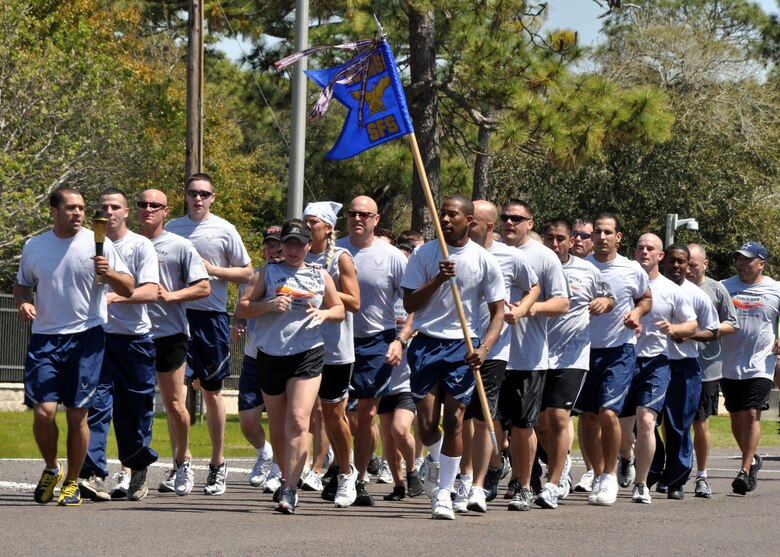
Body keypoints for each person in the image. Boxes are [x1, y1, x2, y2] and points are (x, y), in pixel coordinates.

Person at [14, 186, 134, 506]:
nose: (78, 213)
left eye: (81, 207)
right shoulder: (35, 246)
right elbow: (22, 284)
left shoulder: (99, 243)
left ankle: (72, 482)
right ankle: (53, 468)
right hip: (45, 339)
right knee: (43, 413)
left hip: (87, 337)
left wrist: (109, 274)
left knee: (77, 414)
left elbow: (130, 286)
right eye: (70, 208)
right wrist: (24, 303)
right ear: (53, 211)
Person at [402, 195, 506, 520]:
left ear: (469, 221)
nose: (445, 220)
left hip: (462, 346)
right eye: (442, 215)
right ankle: (436, 460)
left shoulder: (483, 260)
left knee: (455, 420)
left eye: (453, 215)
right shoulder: (424, 254)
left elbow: (498, 311)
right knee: (427, 423)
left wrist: (484, 348)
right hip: (426, 344)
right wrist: (438, 279)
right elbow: (409, 304)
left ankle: (445, 493)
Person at [236, 219, 345, 514]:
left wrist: (324, 314)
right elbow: (242, 309)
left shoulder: (320, 274)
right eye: (289, 243)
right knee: (279, 425)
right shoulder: (265, 273)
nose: (294, 249)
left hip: (307, 352)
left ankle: (290, 489)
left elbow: (340, 309)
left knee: (298, 420)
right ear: (281, 246)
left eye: (300, 243)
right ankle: (284, 475)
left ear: (309, 246)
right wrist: (269, 306)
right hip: (270, 354)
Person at [165, 173, 253, 495]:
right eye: (192, 193)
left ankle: (218, 464)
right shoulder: (172, 228)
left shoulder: (225, 230)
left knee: (212, 391)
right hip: (177, 317)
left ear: (213, 197)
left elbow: (247, 272)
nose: (198, 198)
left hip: (211, 318)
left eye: (204, 193)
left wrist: (212, 270)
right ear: (185, 196)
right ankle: (180, 463)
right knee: (176, 396)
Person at [78, 188, 160, 503]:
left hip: (134, 340)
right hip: (97, 337)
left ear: (126, 212)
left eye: (115, 206)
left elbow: (151, 292)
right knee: (96, 406)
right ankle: (94, 473)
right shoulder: (87, 245)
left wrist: (113, 295)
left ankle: (137, 466)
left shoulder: (140, 246)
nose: (109, 211)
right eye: (103, 207)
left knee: (134, 412)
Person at [462, 200, 538, 513]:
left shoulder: (511, 256)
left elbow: (533, 286)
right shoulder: (454, 251)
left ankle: (476, 483)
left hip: (493, 348)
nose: (466, 226)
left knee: (482, 415)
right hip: (456, 343)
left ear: (489, 225)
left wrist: (520, 309)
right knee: (457, 415)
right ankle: (464, 473)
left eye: (473, 221)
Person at [498, 200, 570, 512]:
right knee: (488, 423)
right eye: (505, 218)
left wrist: (530, 308)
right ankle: (489, 474)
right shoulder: (492, 252)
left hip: (527, 356)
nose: (509, 223)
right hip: (492, 353)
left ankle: (524, 485)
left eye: (516, 218)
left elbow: (562, 303)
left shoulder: (544, 256)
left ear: (530, 222)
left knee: (523, 425)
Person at [137, 189, 210, 496]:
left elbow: (204, 287)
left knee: (174, 404)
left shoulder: (179, 246)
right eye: (143, 204)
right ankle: (132, 469)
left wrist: (172, 295)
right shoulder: (125, 244)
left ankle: (182, 461)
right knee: (133, 405)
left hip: (170, 334)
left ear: (166, 211)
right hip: (133, 334)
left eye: (155, 205)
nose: (148, 209)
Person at [575, 213, 651, 506]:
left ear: (618, 237)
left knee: (608, 413)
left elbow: (645, 298)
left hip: (619, 350)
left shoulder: (631, 269)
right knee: (588, 417)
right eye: (597, 232)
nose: (602, 237)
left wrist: (637, 312)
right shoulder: (581, 267)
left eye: (608, 232)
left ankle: (609, 476)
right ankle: (595, 473)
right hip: (582, 351)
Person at [336, 196, 407, 506]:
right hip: (337, 339)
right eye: (352, 213)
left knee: (367, 414)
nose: (357, 218)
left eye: (364, 214)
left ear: (376, 219)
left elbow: (413, 304)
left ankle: (360, 479)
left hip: (376, 340)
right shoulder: (335, 251)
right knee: (333, 413)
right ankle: (342, 471)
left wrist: (400, 339)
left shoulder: (392, 256)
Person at [540, 219, 614, 509]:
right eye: (550, 239)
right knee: (539, 424)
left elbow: (608, 297)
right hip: (535, 354)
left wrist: (603, 304)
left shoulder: (587, 270)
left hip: (572, 356)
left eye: (560, 239)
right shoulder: (536, 266)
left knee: (559, 418)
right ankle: (563, 460)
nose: (555, 244)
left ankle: (553, 482)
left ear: (571, 241)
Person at [618, 235, 696, 504]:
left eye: (650, 248)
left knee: (647, 420)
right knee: (622, 427)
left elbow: (692, 325)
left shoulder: (671, 290)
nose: (644, 252)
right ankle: (625, 457)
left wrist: (674, 329)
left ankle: (641, 484)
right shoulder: (623, 279)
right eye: (639, 247)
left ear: (660, 256)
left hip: (656, 362)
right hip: (623, 359)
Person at [303, 201, 363, 507]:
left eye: (313, 222)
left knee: (332, 415)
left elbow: (354, 302)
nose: (308, 227)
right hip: (301, 346)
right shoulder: (294, 253)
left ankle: (346, 471)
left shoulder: (340, 258)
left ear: (328, 228)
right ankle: (291, 478)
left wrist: (321, 289)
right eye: (305, 221)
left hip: (335, 349)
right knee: (299, 414)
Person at [653, 243, 719, 500]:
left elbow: (712, 331)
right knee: (645, 422)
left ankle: (677, 479)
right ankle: (656, 467)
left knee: (679, 425)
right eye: (672, 261)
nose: (677, 266)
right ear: (664, 261)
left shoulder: (697, 295)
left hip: (684, 366)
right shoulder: (652, 290)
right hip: (654, 363)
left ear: (689, 265)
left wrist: (687, 334)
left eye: (683, 262)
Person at [720, 241, 780, 494]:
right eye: (739, 259)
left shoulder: (775, 289)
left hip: (761, 362)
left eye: (747, 259)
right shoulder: (725, 286)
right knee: (736, 414)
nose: (741, 264)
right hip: (729, 361)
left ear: (761, 263)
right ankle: (752, 457)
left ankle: (744, 470)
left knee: (752, 412)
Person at [231, 225, 283, 491]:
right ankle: (265, 452)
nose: (274, 250)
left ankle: (278, 469)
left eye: (279, 245)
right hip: (254, 357)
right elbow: (242, 309)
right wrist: (237, 323)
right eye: (269, 245)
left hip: (282, 357)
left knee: (280, 419)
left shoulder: (291, 276)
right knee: (248, 421)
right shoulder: (254, 277)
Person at [686, 243, 739, 498]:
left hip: (706, 367)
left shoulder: (716, 289)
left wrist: (709, 331)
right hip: (675, 362)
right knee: (672, 421)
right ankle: (675, 470)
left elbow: (733, 324)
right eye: (685, 264)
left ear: (704, 264)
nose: (688, 270)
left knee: (700, 421)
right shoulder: (673, 286)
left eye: (693, 265)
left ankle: (702, 476)